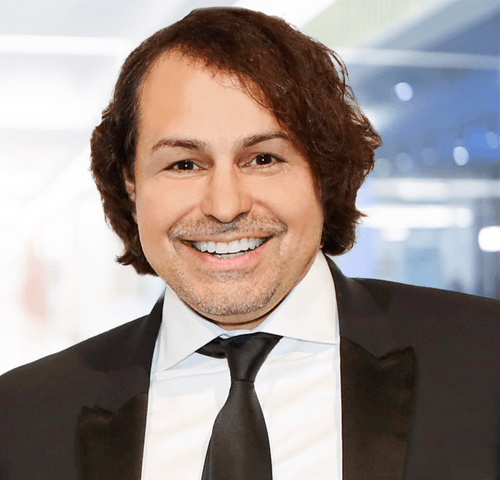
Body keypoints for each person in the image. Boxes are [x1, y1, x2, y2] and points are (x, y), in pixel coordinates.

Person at [0, 7, 499, 480]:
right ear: (132, 186)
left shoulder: (485, 360)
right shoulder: (22, 416)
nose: (224, 205)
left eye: (263, 159)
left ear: (322, 175)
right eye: (184, 164)